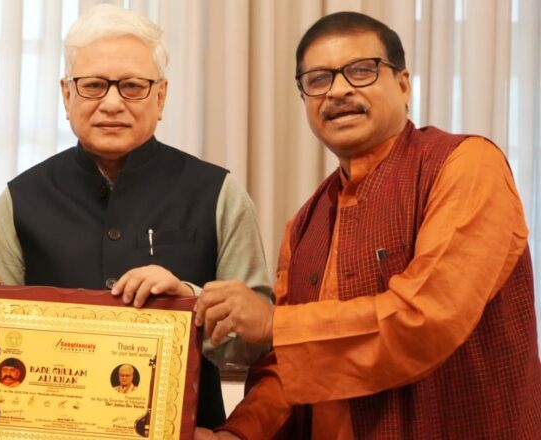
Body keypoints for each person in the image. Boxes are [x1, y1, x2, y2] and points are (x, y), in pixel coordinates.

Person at [194, 11, 540, 440]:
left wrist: (272, 325)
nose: (338, 90)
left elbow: (426, 319)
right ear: (304, 99)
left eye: (361, 71)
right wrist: (239, 434)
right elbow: (289, 364)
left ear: (403, 82)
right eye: (318, 79)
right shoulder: (304, 224)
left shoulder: (465, 165)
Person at [0, 3, 271, 429]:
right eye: (92, 86)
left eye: (131, 86)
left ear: (161, 96)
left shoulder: (219, 193)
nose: (111, 103)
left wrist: (189, 298)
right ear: (66, 94)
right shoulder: (20, 199)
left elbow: (259, 343)